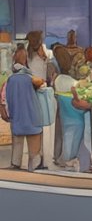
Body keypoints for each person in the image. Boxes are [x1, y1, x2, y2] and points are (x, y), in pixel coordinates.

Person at [1, 47, 46, 171]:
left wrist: (4, 111)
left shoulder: (9, 79)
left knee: (17, 141)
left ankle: (15, 163)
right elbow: (42, 85)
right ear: (26, 60)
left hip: (17, 117)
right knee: (34, 143)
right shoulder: (31, 78)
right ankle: (35, 165)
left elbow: (4, 97)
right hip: (32, 116)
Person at [25, 32, 54, 169]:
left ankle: (39, 158)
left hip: (33, 91)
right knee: (42, 128)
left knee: (39, 128)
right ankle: (41, 158)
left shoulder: (29, 53)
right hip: (40, 91)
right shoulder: (39, 53)